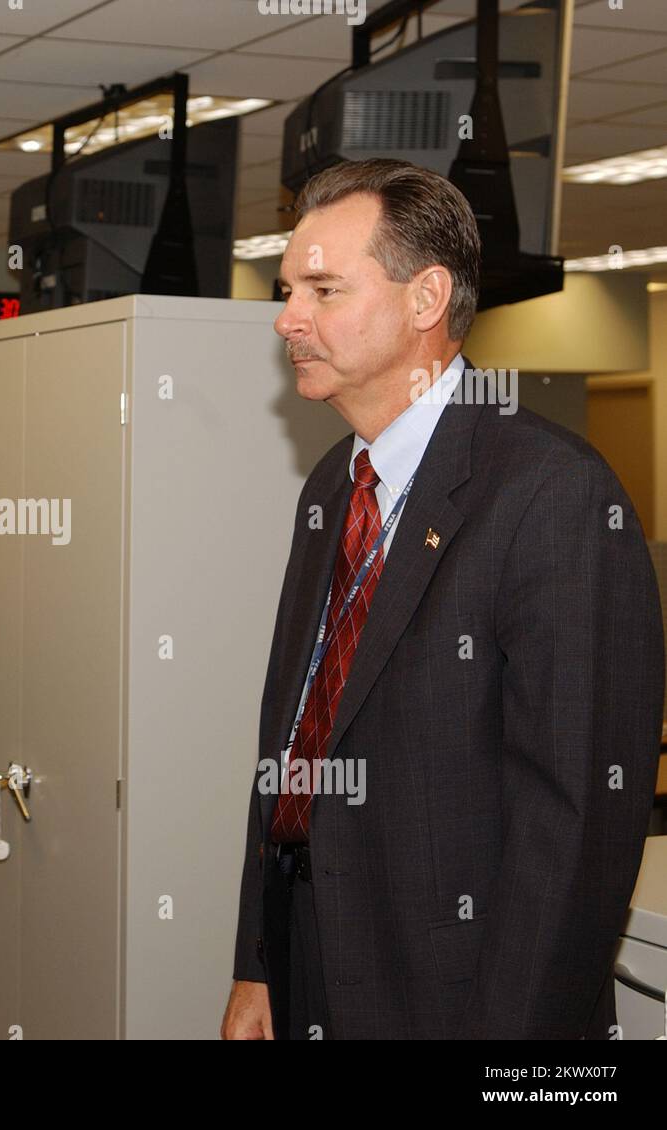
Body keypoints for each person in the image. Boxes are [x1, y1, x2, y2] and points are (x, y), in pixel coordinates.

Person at [220, 158, 664, 1040]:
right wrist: (258, 963)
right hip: (311, 960)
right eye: (286, 289)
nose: (287, 318)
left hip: (461, 996)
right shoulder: (331, 489)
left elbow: (575, 829)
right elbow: (293, 741)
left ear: (426, 300)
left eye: (323, 289)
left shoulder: (552, 493)